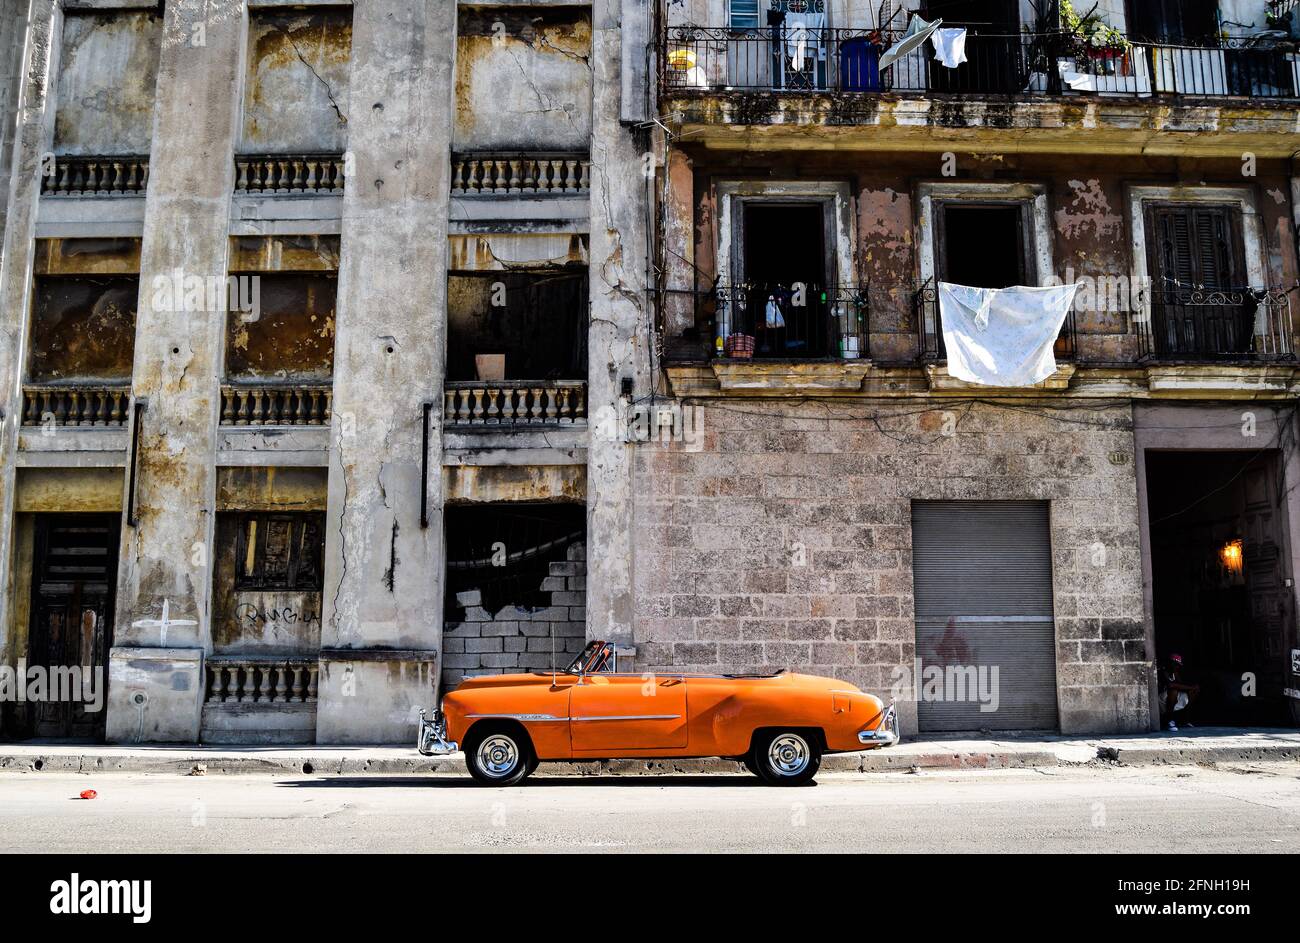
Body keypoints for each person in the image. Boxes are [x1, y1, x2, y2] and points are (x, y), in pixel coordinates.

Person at [1158, 653, 1200, 731]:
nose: (1177, 667)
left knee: (1192, 692)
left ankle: (1185, 720)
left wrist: (1193, 688)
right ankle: (1169, 721)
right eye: (1175, 664)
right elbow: (1170, 685)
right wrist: (1190, 687)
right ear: (1170, 663)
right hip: (1160, 699)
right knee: (1174, 691)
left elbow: (1180, 684)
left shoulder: (1174, 672)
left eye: (1178, 665)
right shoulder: (1163, 671)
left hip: (1170, 696)